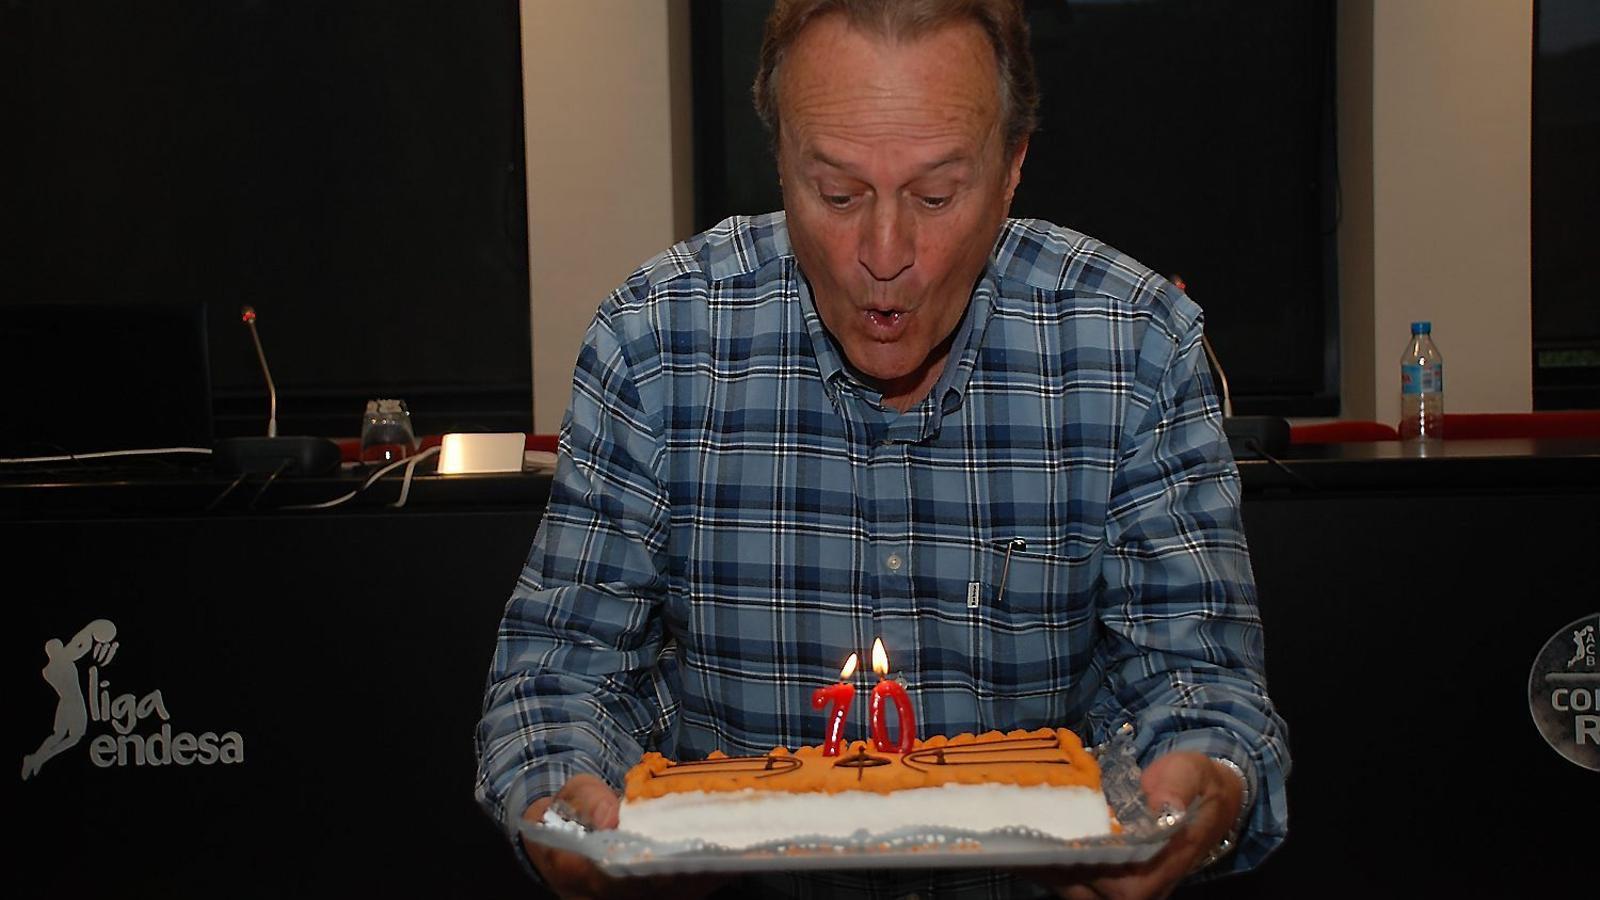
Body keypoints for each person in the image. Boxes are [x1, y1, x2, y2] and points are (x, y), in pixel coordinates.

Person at [475, 1, 1289, 897]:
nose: (886, 252)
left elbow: (1199, 684)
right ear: (780, 163)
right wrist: (564, 806)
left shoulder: (1133, 346)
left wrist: (1200, 787)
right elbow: (558, 675)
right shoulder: (656, 344)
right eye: (837, 193)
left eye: (937, 196)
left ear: (1013, 168)